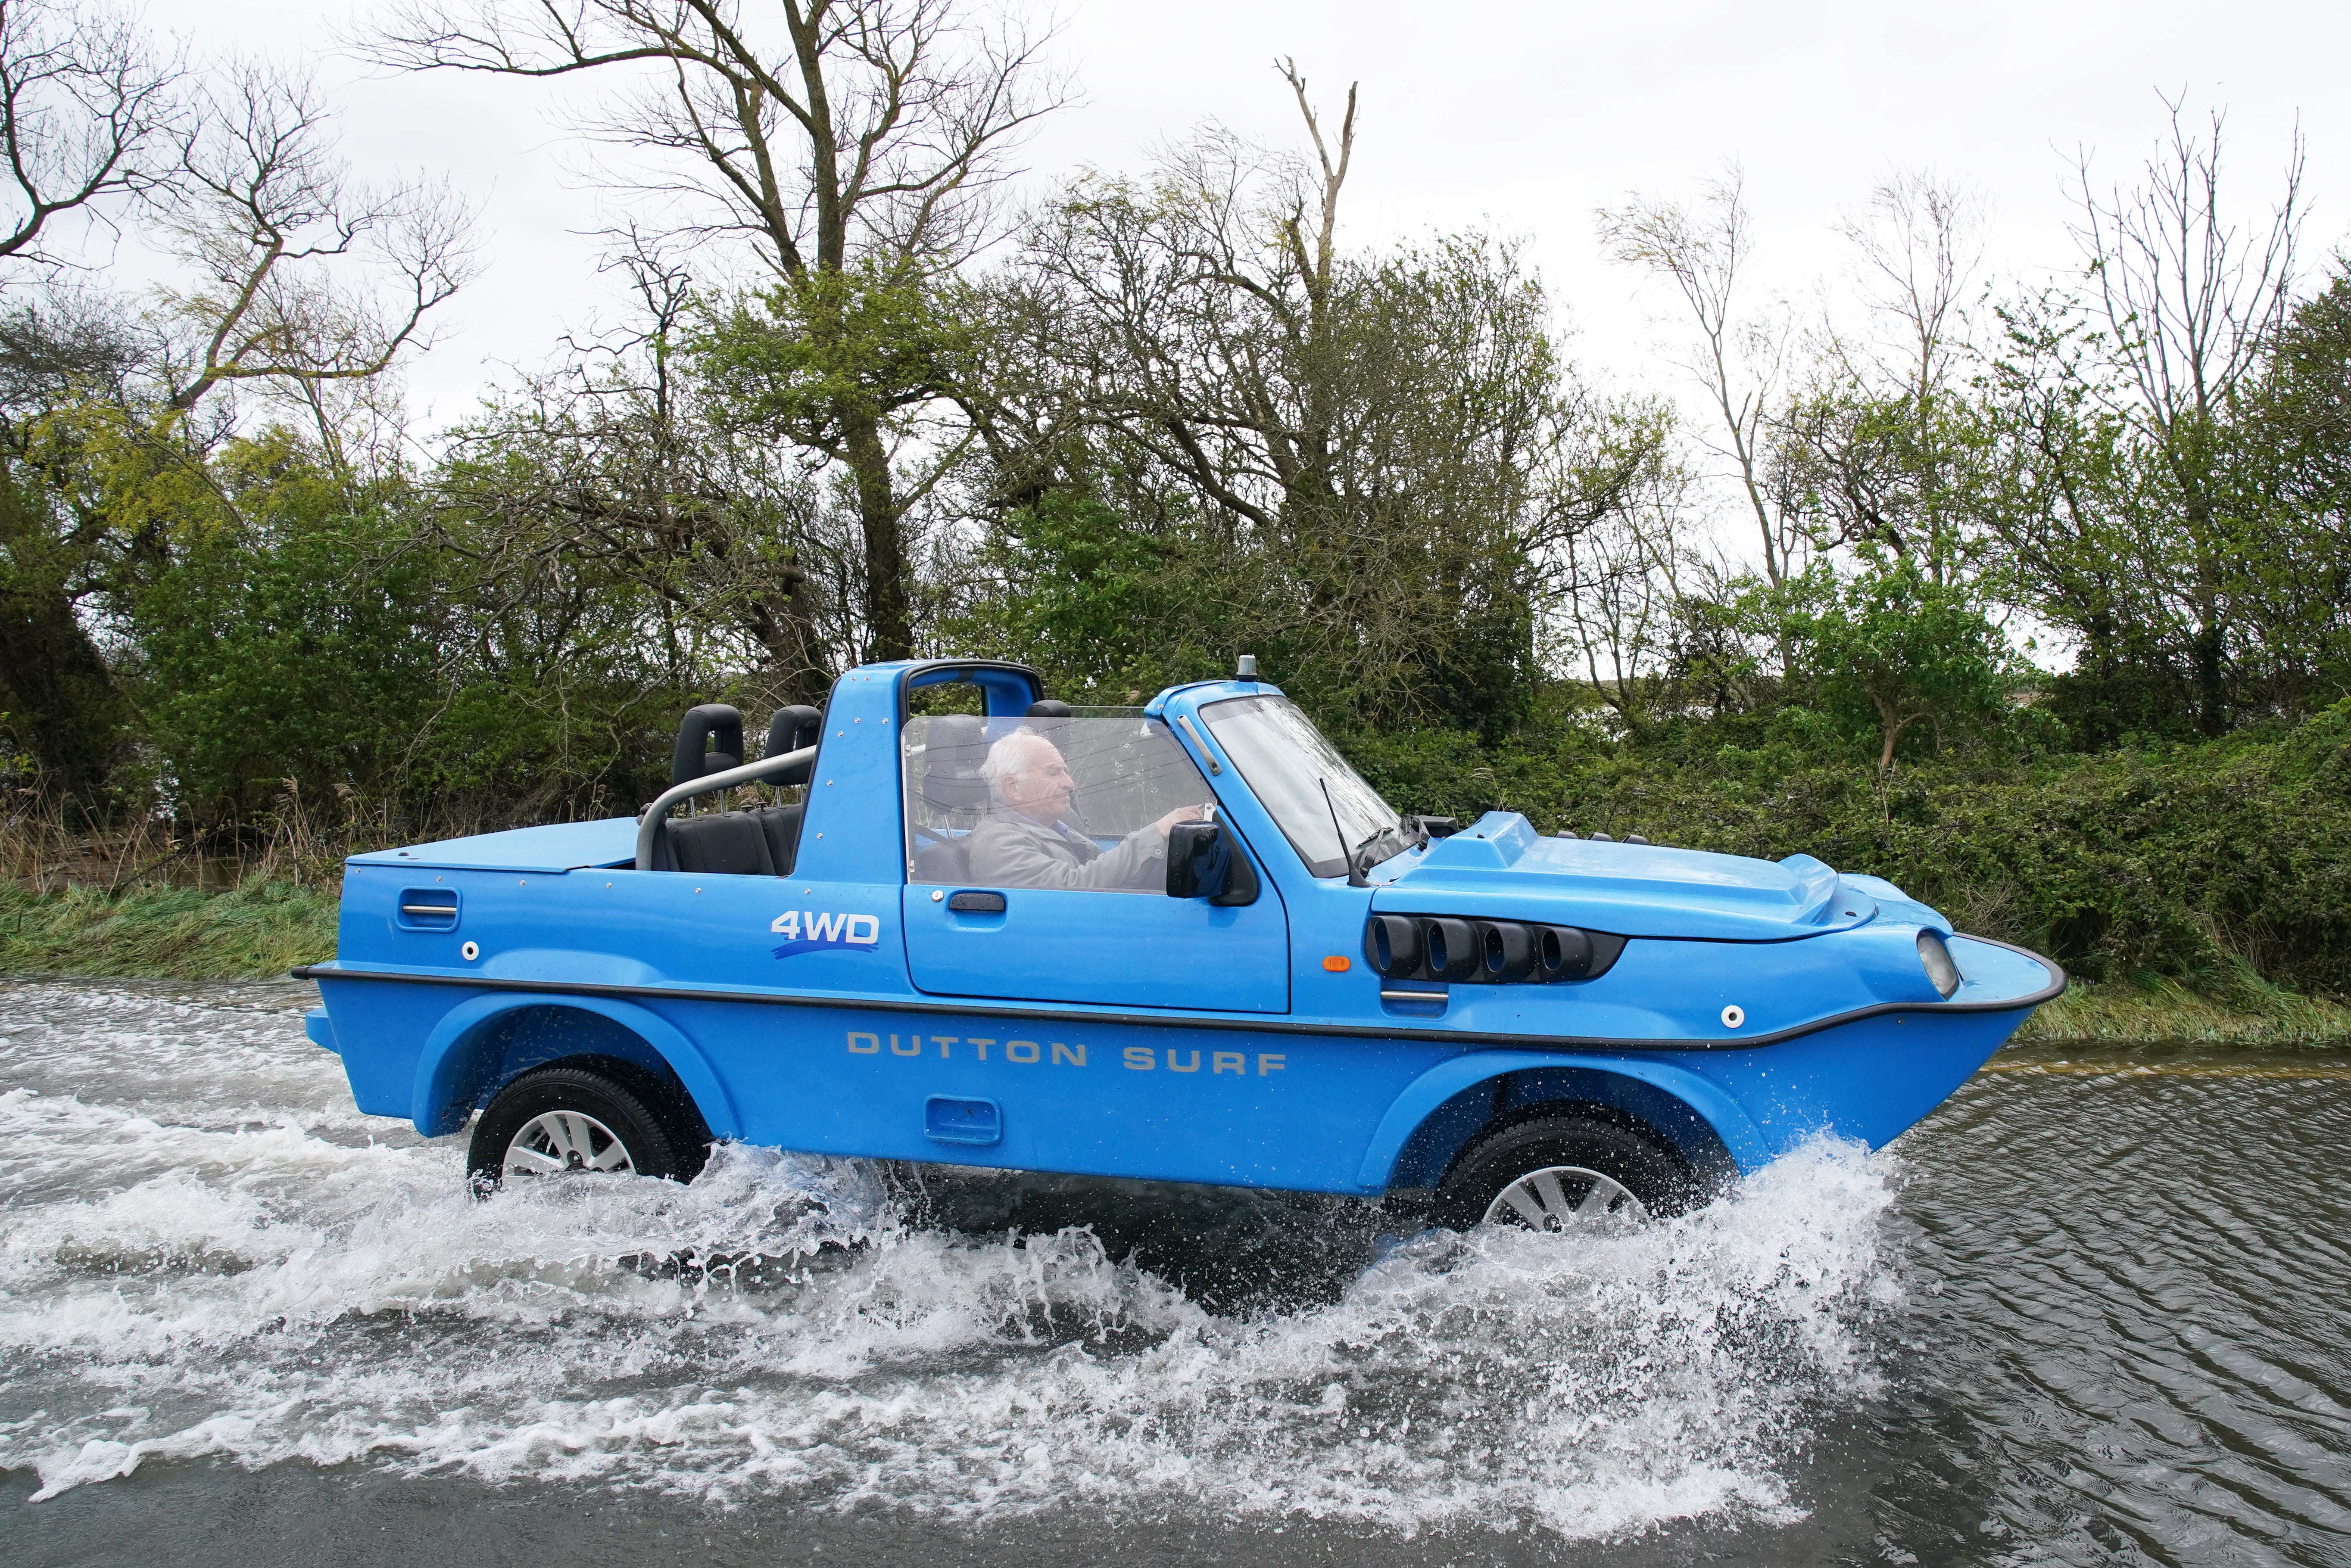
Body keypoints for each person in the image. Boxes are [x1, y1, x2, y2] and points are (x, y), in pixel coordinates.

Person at [966, 729, 1209, 891]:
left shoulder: (1060, 824)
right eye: (1053, 772)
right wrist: (1156, 833)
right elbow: (1074, 890)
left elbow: (1115, 876)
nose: (1069, 783)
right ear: (1012, 787)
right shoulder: (999, 842)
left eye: (1065, 771)